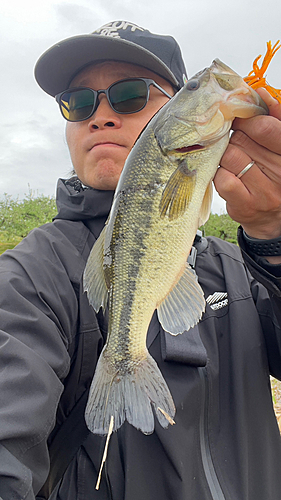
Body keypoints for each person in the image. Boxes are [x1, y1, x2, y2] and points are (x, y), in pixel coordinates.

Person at [1, 19, 281, 500]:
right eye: (78, 102)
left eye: (130, 95)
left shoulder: (240, 265)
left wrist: (273, 238)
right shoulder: (28, 278)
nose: (100, 116)